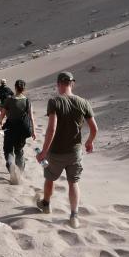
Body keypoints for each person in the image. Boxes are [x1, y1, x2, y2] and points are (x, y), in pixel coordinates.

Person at [35, 72, 98, 229]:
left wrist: (44, 151)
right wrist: (90, 142)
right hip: (74, 152)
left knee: (50, 178)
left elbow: (52, 128)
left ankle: (46, 204)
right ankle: (74, 215)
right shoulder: (83, 102)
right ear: (72, 84)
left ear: (58, 84)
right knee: (73, 182)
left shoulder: (54, 101)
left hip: (56, 152)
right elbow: (94, 128)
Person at [0, 79, 36, 179]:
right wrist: (33, 130)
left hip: (10, 128)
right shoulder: (27, 101)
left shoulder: (9, 99)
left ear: (15, 88)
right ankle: (20, 171)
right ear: (24, 89)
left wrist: (0, 121)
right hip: (22, 130)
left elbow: (2, 114)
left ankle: (11, 165)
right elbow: (31, 117)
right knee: (19, 150)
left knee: (8, 150)